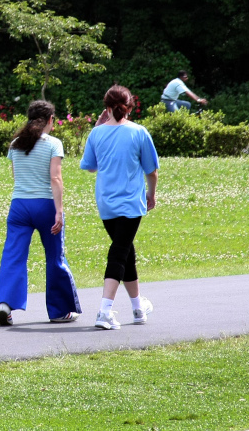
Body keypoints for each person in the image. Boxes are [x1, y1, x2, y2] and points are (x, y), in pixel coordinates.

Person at [0, 100, 81, 326]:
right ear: (50, 120)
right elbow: (55, 178)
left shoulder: (15, 143)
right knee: (55, 257)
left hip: (19, 206)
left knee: (13, 255)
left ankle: (5, 304)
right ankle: (60, 311)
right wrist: (59, 211)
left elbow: (16, 176)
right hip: (45, 206)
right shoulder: (53, 144)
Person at [80, 84, 159, 330]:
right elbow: (151, 171)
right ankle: (104, 311)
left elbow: (90, 166)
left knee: (125, 251)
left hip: (106, 203)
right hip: (131, 203)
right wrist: (151, 194)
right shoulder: (139, 132)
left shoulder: (96, 134)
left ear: (106, 107)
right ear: (130, 107)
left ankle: (138, 307)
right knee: (119, 253)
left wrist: (97, 129)